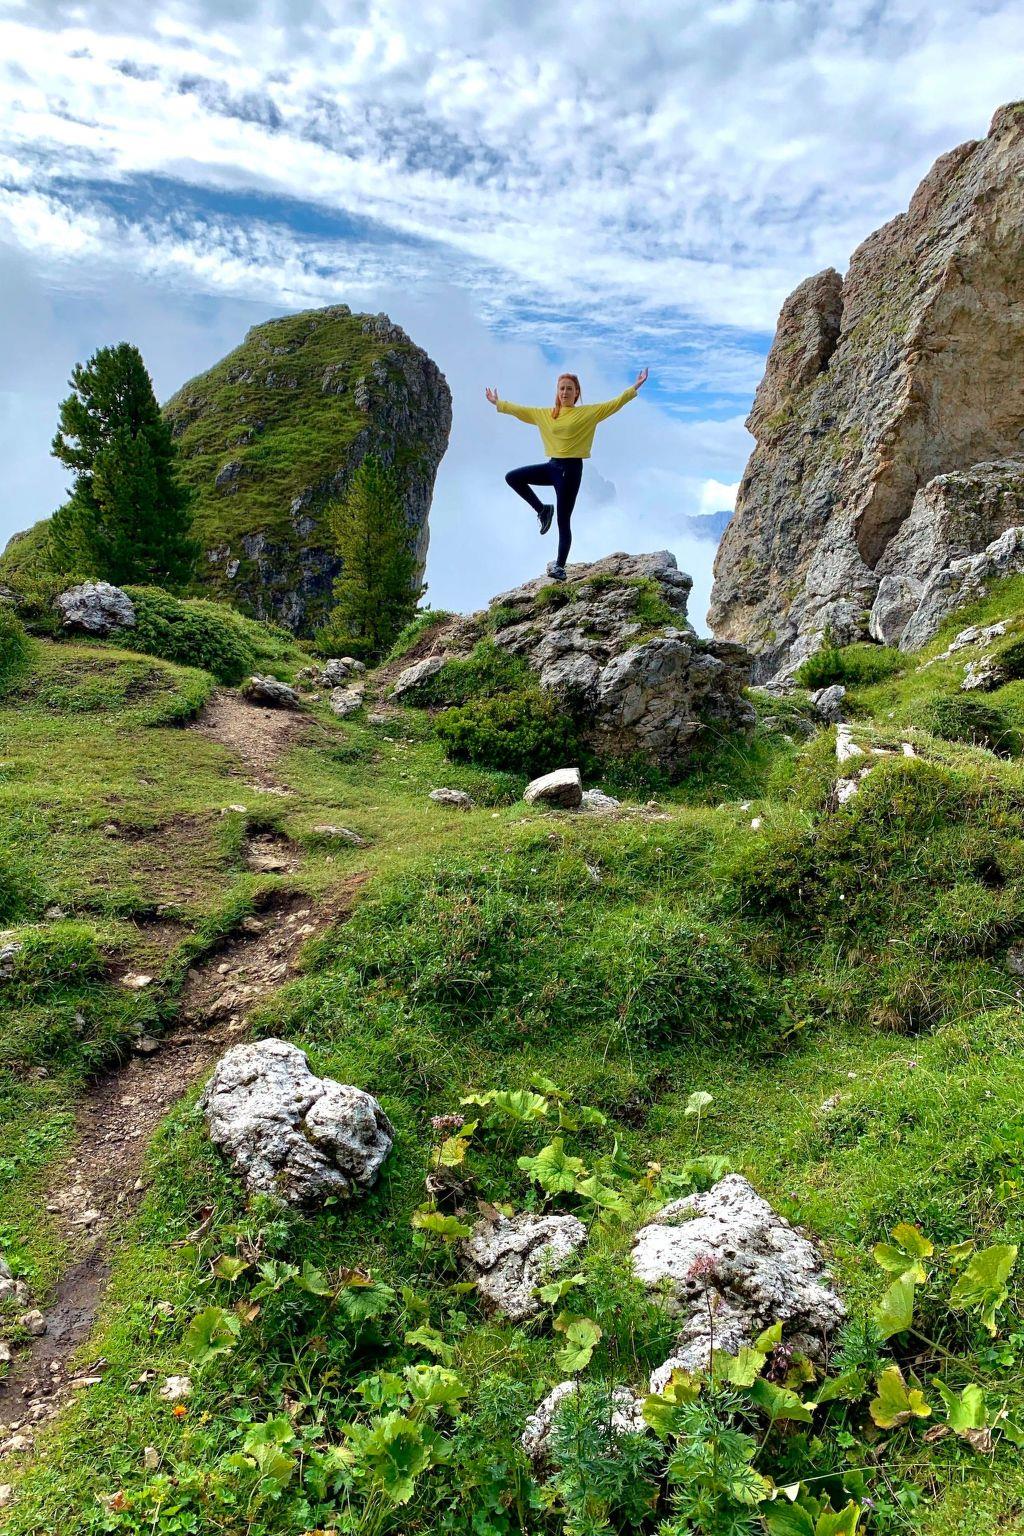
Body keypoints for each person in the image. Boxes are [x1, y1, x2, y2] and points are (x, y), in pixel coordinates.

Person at [486, 367, 649, 580]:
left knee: (563, 520)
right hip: (552, 466)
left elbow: (614, 404)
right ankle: (543, 510)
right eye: (562, 388)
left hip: (571, 471)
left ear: (576, 392)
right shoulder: (547, 414)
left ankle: (560, 566)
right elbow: (521, 411)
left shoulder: (588, 413)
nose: (565, 392)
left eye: (569, 388)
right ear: (557, 391)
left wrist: (635, 387)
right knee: (513, 477)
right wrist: (498, 403)